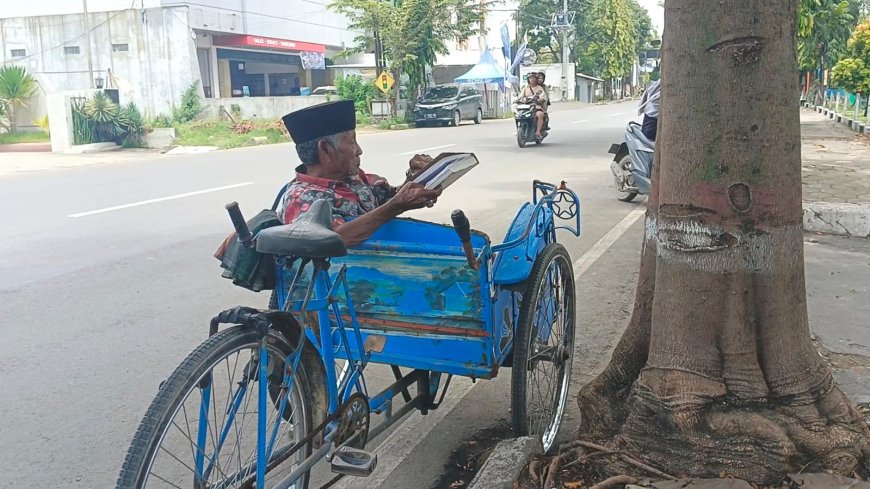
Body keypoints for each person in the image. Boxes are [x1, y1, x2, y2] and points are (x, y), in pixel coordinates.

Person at [279, 100, 442, 247]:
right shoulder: (300, 198)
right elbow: (332, 240)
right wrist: (394, 207)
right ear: (325, 149)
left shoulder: (355, 179)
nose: (359, 150)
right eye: (351, 142)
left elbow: (389, 200)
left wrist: (417, 178)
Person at [518, 73, 547, 140]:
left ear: (536, 79)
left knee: (540, 114)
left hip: (536, 108)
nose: (532, 80)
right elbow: (520, 97)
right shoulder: (525, 88)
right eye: (530, 78)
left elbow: (543, 98)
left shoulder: (539, 88)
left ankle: (538, 132)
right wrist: (517, 100)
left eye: (533, 78)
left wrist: (538, 100)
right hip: (527, 107)